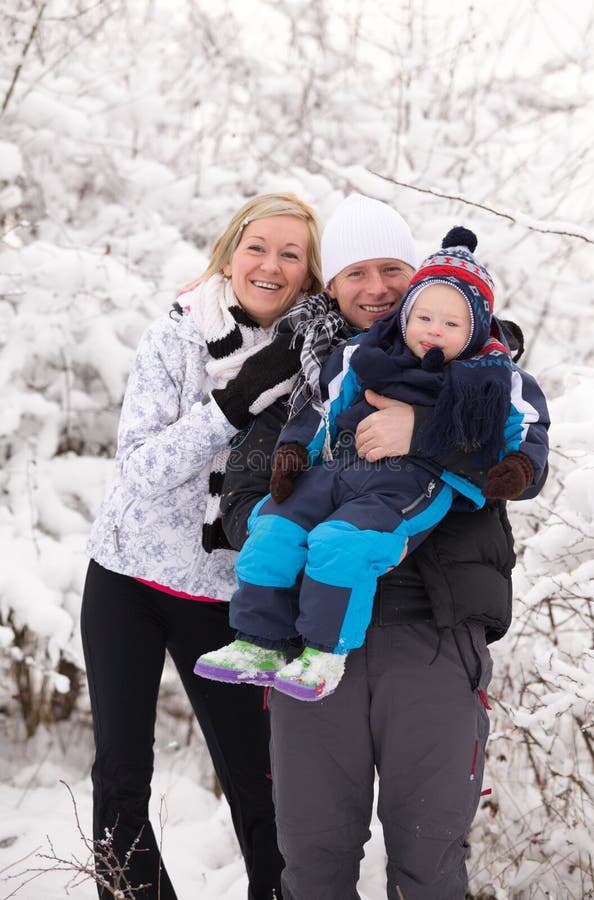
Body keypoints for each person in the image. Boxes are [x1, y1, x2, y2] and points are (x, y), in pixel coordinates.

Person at [216, 194, 548, 899]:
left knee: (428, 866)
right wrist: (312, 521)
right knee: (312, 863)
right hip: (312, 645)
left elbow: (514, 469)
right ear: (330, 285)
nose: (375, 288)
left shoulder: (481, 368)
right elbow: (243, 505)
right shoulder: (296, 385)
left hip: (432, 632)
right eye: (355, 272)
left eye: (391, 269)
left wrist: (421, 435)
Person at [80, 192, 323, 900]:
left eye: (290, 254)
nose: (270, 265)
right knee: (120, 776)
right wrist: (230, 403)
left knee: (261, 788)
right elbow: (142, 467)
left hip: (230, 597)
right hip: (127, 578)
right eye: (257, 247)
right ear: (230, 251)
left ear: (309, 275)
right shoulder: (179, 334)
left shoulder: (321, 362)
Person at [194, 227, 549, 701]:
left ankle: (323, 652)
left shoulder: (493, 381)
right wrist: (294, 451)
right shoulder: (360, 355)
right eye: (424, 317)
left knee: (341, 542)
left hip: (410, 497)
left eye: (451, 324)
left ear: (477, 328)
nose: (434, 331)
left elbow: (526, 434)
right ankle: (258, 642)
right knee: (274, 528)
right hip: (336, 472)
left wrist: (515, 463)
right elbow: (321, 407)